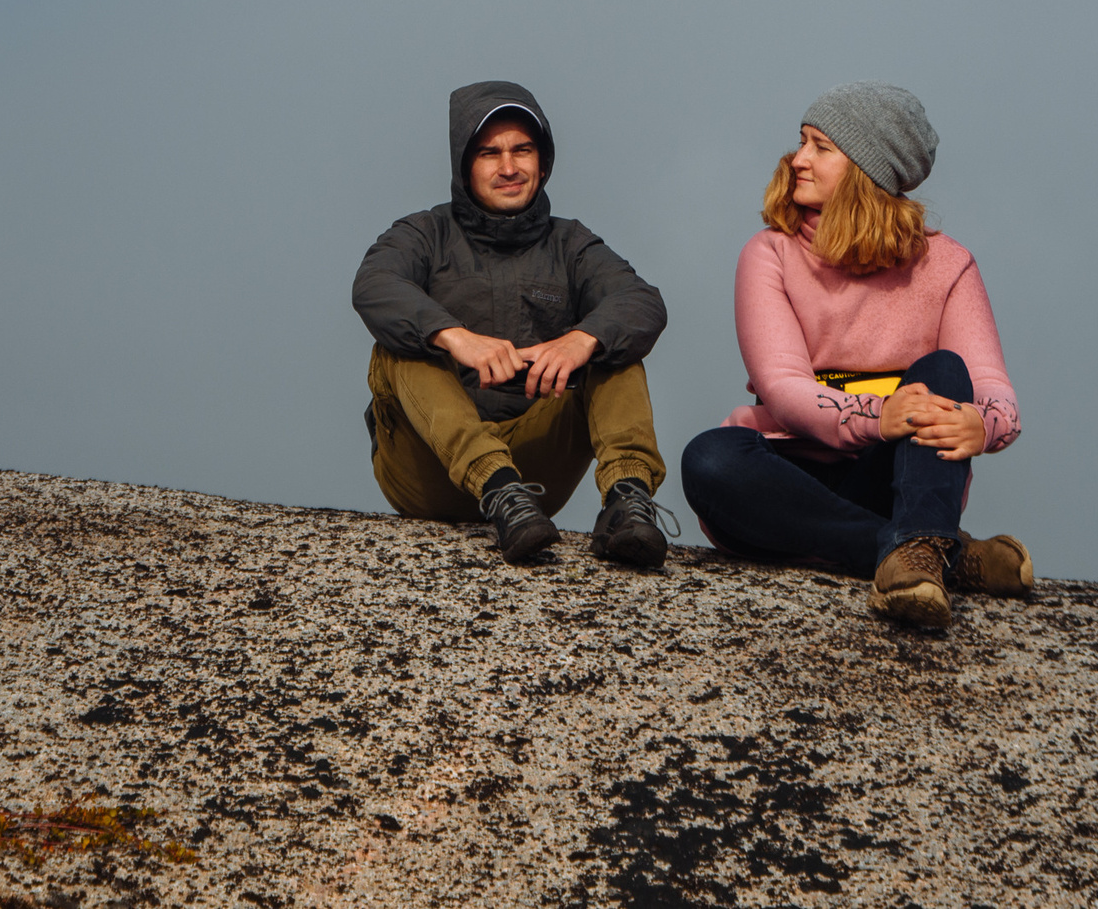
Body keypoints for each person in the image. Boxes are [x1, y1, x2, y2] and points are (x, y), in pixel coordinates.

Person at [679, 83, 1031, 628]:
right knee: (709, 458)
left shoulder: (948, 264)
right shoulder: (768, 252)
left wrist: (979, 425)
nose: (798, 160)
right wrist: (875, 417)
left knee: (945, 372)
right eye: (801, 142)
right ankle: (933, 554)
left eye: (821, 147)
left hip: (895, 483)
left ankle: (915, 546)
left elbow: (993, 388)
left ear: (868, 169)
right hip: (787, 482)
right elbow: (781, 386)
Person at [354, 81, 674, 566]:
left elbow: (641, 301)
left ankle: (627, 503)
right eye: (489, 153)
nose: (508, 167)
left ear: (542, 163)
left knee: (613, 344)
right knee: (399, 346)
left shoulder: (571, 244)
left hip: (534, 475)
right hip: (429, 467)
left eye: (522, 150)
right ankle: (497, 489)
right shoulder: (423, 233)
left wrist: (581, 339)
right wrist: (455, 337)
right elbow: (374, 285)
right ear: (465, 167)